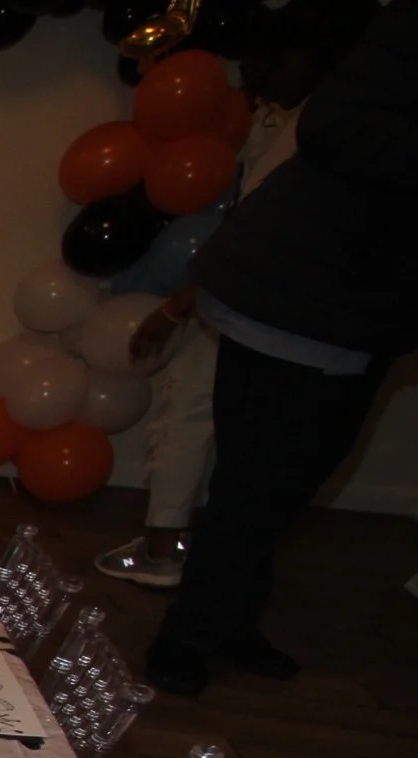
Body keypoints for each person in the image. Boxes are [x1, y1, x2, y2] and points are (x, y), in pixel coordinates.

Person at [143, 0, 418, 696]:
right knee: (258, 482)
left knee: (286, 481)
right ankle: (188, 634)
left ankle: (226, 622)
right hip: (303, 289)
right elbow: (336, 125)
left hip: (351, 304)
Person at [96, 2, 365, 591]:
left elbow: (256, 232)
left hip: (258, 308)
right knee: (229, 436)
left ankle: (167, 547)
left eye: (271, 61)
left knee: (192, 413)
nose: (255, 75)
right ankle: (189, 551)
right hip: (280, 311)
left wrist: (177, 306)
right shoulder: (323, 124)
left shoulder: (315, 132)